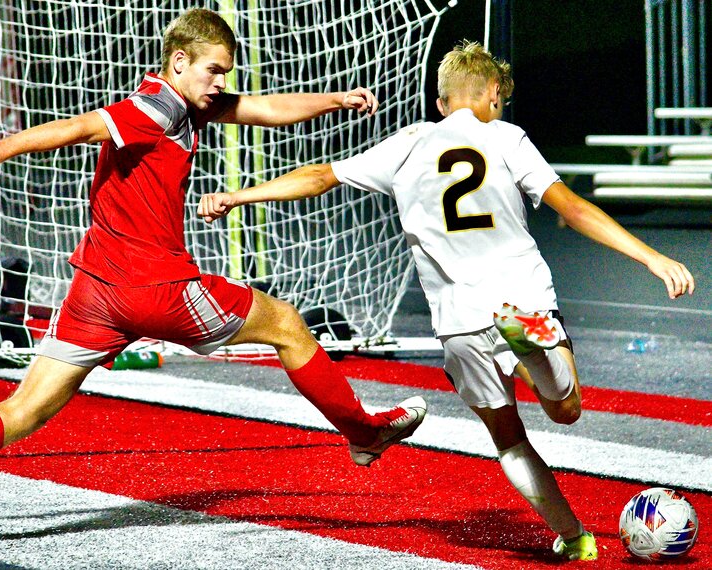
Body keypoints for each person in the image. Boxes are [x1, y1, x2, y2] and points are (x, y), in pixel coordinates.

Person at [0, 9, 427, 558]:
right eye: (214, 71)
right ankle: (363, 431)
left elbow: (265, 107)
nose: (221, 83)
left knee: (23, 410)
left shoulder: (194, 102)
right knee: (283, 322)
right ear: (179, 61)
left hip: (95, 294)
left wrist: (337, 99)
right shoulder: (156, 104)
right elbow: (80, 127)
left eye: (226, 72)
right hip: (156, 290)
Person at [196, 40, 695, 562]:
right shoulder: (505, 137)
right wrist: (650, 258)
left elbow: (321, 177)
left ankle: (576, 540)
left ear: (440, 104)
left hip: (458, 319)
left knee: (509, 439)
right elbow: (570, 206)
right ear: (495, 94)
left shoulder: (408, 143)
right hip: (519, 294)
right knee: (565, 410)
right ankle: (537, 352)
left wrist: (239, 196)